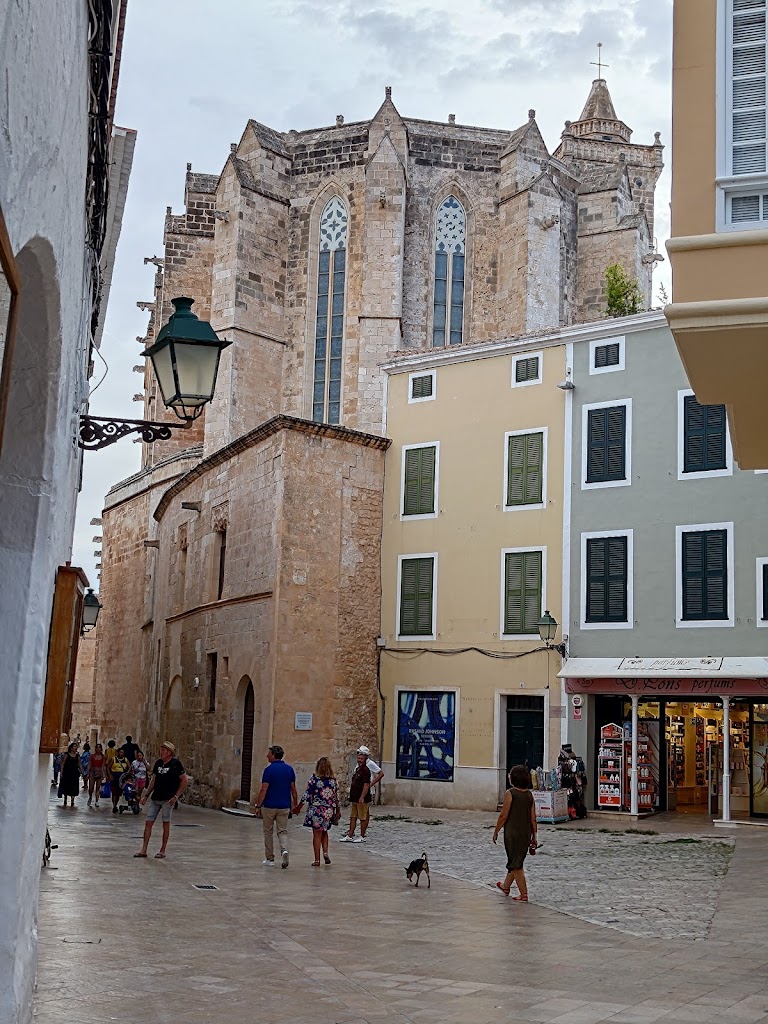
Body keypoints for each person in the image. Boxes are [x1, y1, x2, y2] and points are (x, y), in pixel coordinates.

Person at [493, 764, 538, 902]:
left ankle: (523, 894)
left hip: (512, 833)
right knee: (516, 860)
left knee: (516, 864)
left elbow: (503, 815)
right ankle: (506, 886)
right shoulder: (529, 795)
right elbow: (533, 818)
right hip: (525, 833)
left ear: (513, 778)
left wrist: (496, 830)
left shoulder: (510, 793)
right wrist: (534, 836)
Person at [135, 741, 188, 859]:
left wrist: (176, 796)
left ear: (169, 752)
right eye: (161, 750)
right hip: (156, 797)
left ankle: (163, 850)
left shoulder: (175, 764)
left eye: (163, 750)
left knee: (165, 823)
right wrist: (146, 795)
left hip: (168, 799)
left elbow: (184, 780)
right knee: (148, 822)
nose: (161, 752)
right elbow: (154, 780)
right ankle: (144, 849)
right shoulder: (158, 763)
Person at [254, 745, 298, 868]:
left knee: (268, 831)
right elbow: (293, 789)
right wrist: (295, 804)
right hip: (284, 805)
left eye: (269, 753)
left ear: (273, 755)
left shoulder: (268, 770)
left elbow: (264, 789)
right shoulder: (289, 770)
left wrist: (258, 805)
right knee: (282, 830)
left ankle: (270, 858)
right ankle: (284, 850)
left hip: (269, 805)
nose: (267, 755)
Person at [293, 757, 339, 866]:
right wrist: (338, 810)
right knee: (325, 831)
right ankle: (325, 853)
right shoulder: (333, 781)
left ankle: (317, 860)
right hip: (328, 810)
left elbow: (306, 795)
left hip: (316, 809)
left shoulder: (314, 780)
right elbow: (336, 798)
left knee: (317, 834)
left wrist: (298, 807)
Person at [339, 749, 371, 843]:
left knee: (362, 817)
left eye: (361, 758)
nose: (359, 760)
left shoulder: (366, 770)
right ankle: (350, 835)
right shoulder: (358, 769)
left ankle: (362, 836)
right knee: (353, 817)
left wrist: (362, 797)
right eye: (359, 758)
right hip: (355, 798)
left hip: (361, 799)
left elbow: (366, 784)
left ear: (365, 759)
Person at [355, 745, 383, 840]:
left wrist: (371, 784)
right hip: (359, 789)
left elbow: (381, 773)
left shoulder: (370, 763)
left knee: (365, 812)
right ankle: (361, 830)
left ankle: (363, 832)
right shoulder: (360, 763)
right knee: (362, 811)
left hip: (367, 790)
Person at [58, 743, 82, 807]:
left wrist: (82, 772)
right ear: (71, 748)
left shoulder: (77, 756)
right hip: (67, 773)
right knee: (66, 785)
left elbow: (79, 764)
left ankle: (72, 800)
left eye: (76, 746)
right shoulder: (67, 755)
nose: (76, 748)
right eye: (74, 746)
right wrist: (61, 772)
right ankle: (65, 798)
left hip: (74, 773)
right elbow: (62, 763)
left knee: (74, 786)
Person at [109, 746, 131, 814]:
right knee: (114, 792)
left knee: (118, 792)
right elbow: (108, 767)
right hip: (115, 776)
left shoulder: (126, 760)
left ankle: (116, 803)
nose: (122, 753)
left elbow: (129, 767)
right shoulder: (113, 759)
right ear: (118, 753)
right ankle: (114, 805)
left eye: (123, 752)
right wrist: (109, 775)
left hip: (122, 777)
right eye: (121, 752)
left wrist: (127, 773)